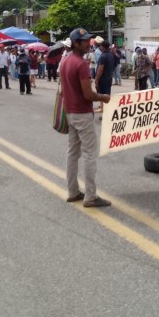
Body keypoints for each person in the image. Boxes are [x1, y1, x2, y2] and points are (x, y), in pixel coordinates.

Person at [60, 27, 112, 208]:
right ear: (76, 43)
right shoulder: (81, 64)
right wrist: (103, 97)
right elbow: (88, 95)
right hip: (82, 113)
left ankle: (72, 191)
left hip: (70, 112)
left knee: (72, 153)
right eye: (85, 41)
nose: (89, 43)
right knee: (89, 154)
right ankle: (90, 196)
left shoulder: (66, 61)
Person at [94, 40, 115, 112]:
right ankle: (106, 107)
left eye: (100, 46)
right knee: (107, 92)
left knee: (101, 93)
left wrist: (96, 79)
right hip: (109, 77)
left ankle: (102, 108)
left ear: (102, 47)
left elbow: (100, 69)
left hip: (103, 78)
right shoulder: (110, 55)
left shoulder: (102, 56)